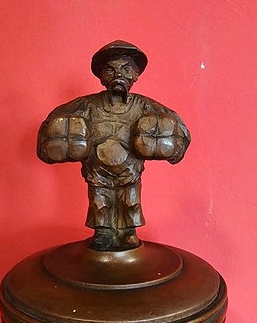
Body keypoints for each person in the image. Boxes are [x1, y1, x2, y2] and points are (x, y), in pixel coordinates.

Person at [37, 40, 190, 250]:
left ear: (136, 75)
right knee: (99, 200)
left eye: (126, 69)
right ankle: (103, 231)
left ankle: (128, 232)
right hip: (97, 171)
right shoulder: (87, 105)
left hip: (130, 169)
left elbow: (178, 127)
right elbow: (53, 123)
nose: (118, 75)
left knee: (131, 200)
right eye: (110, 70)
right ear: (101, 76)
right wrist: (50, 146)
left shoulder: (144, 105)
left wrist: (174, 149)